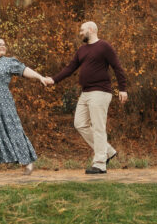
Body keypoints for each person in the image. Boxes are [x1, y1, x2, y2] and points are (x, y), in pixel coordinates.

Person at [45, 20, 129, 174]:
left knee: (98, 127)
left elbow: (117, 67)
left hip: (100, 92)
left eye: (82, 30)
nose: (80, 33)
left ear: (91, 29)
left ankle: (100, 164)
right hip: (85, 93)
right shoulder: (82, 50)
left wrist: (122, 89)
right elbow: (70, 68)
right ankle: (108, 151)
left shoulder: (104, 46)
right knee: (80, 124)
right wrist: (54, 79)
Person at [0, 36, 50, 176]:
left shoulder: (8, 62)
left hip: (3, 102)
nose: (3, 46)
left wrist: (40, 77)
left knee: (12, 129)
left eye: (4, 45)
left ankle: (28, 163)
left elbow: (24, 70)